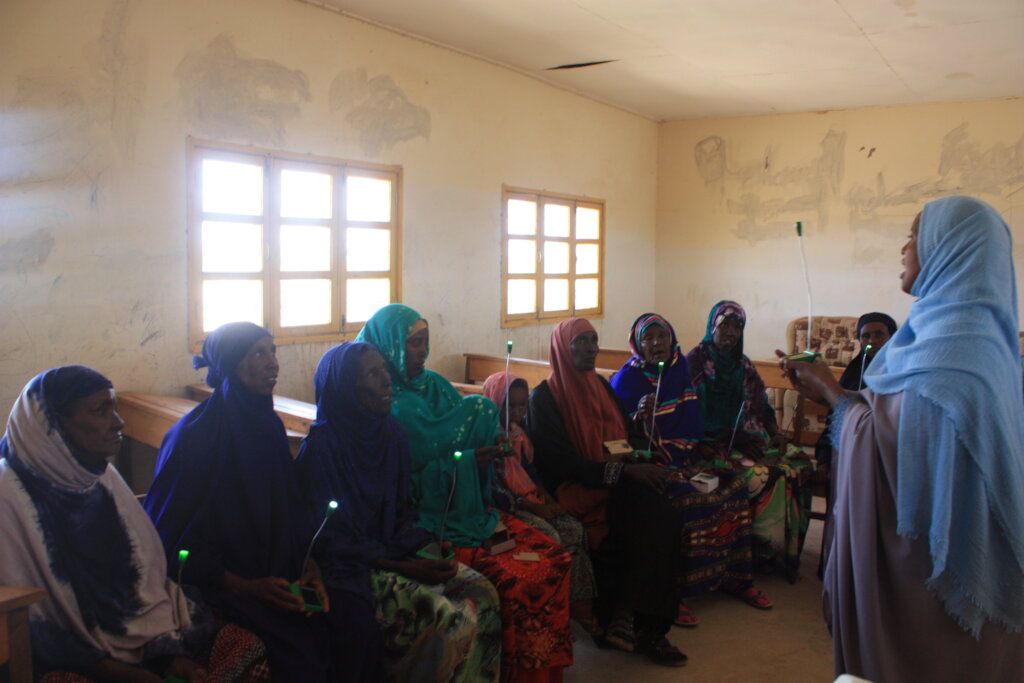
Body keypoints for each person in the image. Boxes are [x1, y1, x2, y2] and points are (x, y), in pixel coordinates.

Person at [779, 196, 1024, 682]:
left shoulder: (959, 350)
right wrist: (838, 393)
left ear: (950, 248)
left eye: (915, 235)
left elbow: (899, 445)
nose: (904, 247)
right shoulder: (948, 334)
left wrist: (832, 393)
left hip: (935, 570)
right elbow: (896, 415)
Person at [144, 322, 383, 682]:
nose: (273, 363)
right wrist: (247, 586)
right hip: (220, 580)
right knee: (299, 658)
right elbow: (168, 540)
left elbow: (289, 510)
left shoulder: (268, 426)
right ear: (231, 364)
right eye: (258, 353)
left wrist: (309, 564)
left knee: (354, 622)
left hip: (278, 570)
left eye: (273, 351)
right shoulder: (195, 438)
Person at [0, 366, 266, 681]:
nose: (118, 422)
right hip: (60, 653)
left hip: (133, 634)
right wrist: (114, 671)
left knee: (245, 647)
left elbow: (144, 575)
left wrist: (166, 654)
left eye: (114, 407)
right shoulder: (9, 494)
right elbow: (25, 618)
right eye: (101, 411)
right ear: (53, 424)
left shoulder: (99, 476)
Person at [356, 304, 572, 683]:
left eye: (426, 341)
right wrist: (468, 461)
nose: (423, 351)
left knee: (554, 557)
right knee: (522, 580)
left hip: (473, 506)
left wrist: (486, 451)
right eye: (413, 343)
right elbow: (403, 485)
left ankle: (541, 674)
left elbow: (472, 432)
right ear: (389, 345)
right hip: (432, 520)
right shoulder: (383, 407)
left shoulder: (435, 385)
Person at [297, 341, 501, 682]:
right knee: (449, 618)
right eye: (372, 374)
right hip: (349, 567)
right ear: (346, 388)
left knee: (484, 594)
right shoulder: (322, 449)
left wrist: (428, 548)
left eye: (384, 369)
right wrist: (404, 566)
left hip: (394, 549)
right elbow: (328, 541)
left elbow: (401, 512)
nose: (386, 380)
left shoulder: (389, 433)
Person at [526, 318, 686, 667]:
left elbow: (626, 433)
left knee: (662, 513)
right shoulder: (545, 399)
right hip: (578, 487)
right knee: (639, 520)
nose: (590, 348)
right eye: (580, 342)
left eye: (593, 340)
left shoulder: (600, 385)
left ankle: (651, 627)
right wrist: (622, 472)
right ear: (562, 349)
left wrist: (640, 446)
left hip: (615, 479)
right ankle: (622, 615)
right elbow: (560, 463)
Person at [610, 313, 769, 626]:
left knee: (733, 486)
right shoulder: (626, 380)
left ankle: (736, 578)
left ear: (672, 339)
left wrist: (700, 448)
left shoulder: (679, 367)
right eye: (648, 338)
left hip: (686, 454)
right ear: (637, 344)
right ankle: (675, 593)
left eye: (662, 336)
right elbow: (618, 435)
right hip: (651, 462)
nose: (656, 343)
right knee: (688, 500)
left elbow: (692, 420)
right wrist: (638, 416)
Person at [686, 300, 813, 580]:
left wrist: (776, 433)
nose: (731, 332)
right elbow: (693, 414)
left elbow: (763, 407)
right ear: (712, 326)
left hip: (749, 436)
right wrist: (737, 439)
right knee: (765, 475)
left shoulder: (743, 364)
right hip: (710, 443)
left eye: (737, 327)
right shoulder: (696, 362)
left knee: (799, 465)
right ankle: (758, 553)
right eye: (725, 325)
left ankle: (783, 551)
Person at [481, 371, 598, 633]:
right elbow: (495, 489)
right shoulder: (487, 439)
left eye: (522, 405)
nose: (517, 412)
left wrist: (548, 498)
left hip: (530, 498)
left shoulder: (518, 434)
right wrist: (536, 508)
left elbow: (530, 472)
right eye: (509, 405)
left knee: (574, 530)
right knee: (550, 537)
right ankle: (550, 613)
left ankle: (578, 607)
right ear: (494, 402)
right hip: (507, 508)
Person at [813, 312, 898, 578]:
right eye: (865, 336)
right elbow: (835, 417)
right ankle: (836, 572)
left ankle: (867, 578)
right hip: (844, 455)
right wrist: (824, 457)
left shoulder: (901, 372)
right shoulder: (854, 372)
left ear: (893, 337)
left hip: (880, 459)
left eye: (879, 334)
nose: (872, 341)